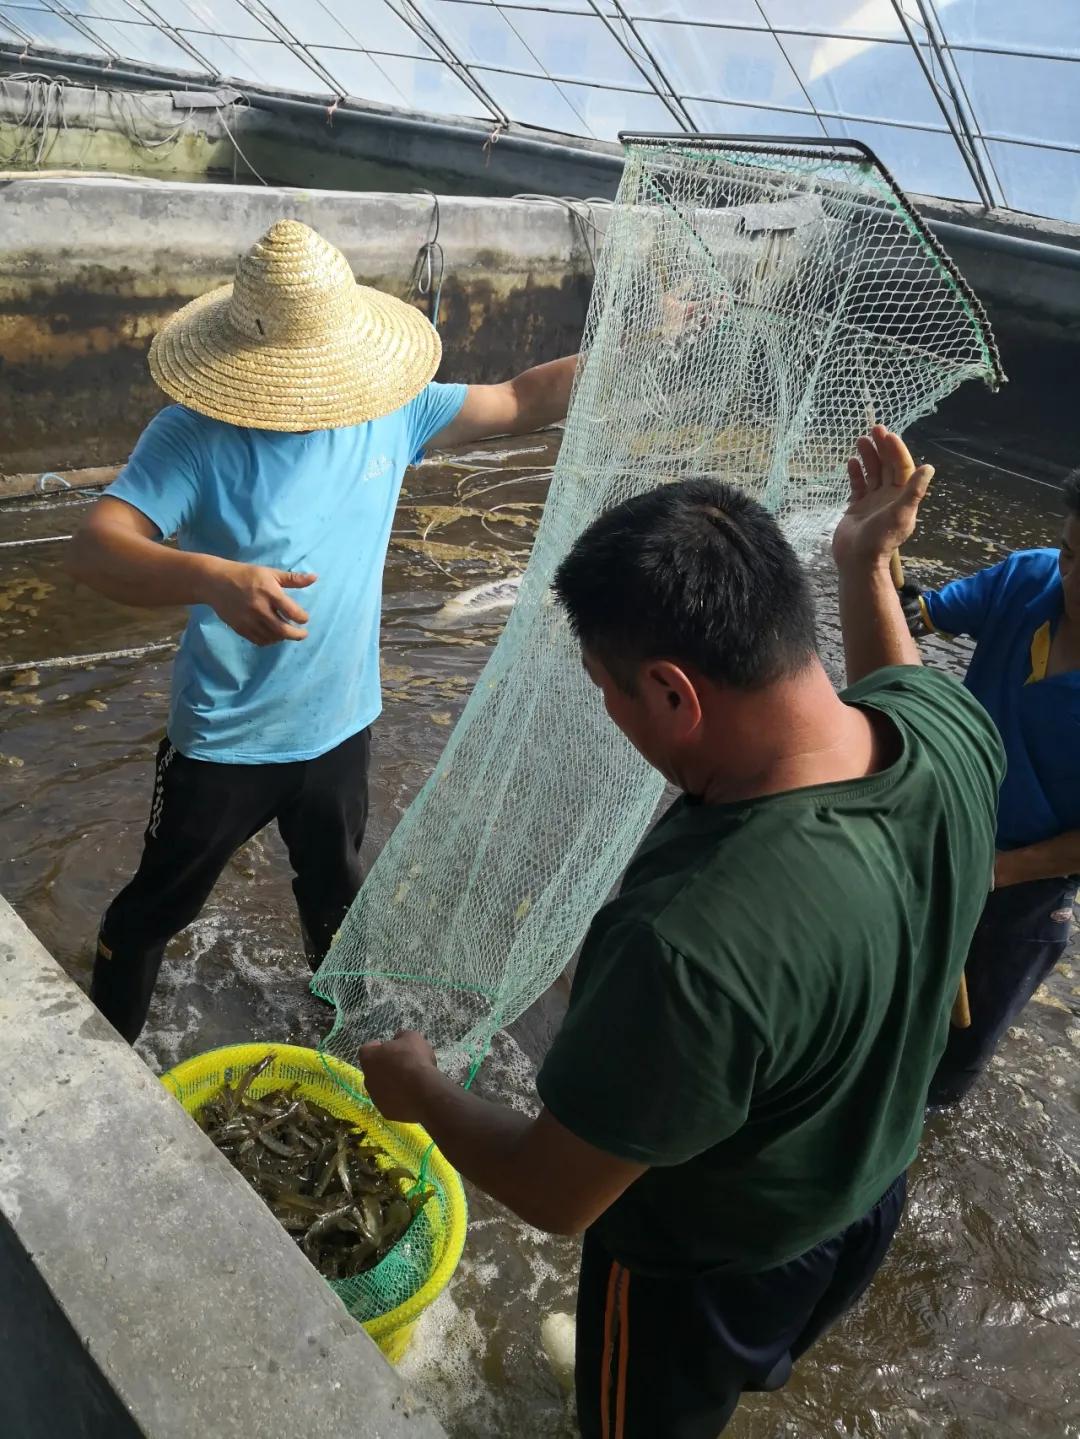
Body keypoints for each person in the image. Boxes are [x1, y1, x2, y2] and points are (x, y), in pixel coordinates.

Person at [358, 429, 1003, 1439]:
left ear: (671, 691)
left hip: (698, 1269)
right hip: (858, 1198)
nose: (612, 713)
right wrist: (865, 561)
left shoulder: (689, 941)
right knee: (759, 1362)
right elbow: (899, 678)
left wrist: (419, 1090)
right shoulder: (952, 734)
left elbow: (556, 1189)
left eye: (609, 690)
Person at [66, 219, 577, 1045]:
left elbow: (520, 401)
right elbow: (95, 549)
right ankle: (109, 1062)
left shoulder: (389, 412)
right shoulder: (191, 436)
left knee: (335, 899)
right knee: (153, 910)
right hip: (225, 739)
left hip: (340, 726)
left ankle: (338, 1046)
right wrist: (211, 578)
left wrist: (631, 359)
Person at [903, 471, 1080, 1106]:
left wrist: (998, 871)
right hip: (943, 836)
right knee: (889, 1001)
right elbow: (912, 618)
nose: (1073, 578)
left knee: (960, 1047)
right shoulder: (1028, 579)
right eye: (1070, 549)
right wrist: (877, 547)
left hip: (1026, 889)